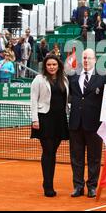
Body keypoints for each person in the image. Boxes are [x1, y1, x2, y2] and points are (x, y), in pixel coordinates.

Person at [67, 49, 106, 198]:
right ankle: (78, 186)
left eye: (89, 58)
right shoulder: (73, 77)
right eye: (84, 58)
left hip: (94, 124)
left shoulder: (103, 77)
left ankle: (92, 186)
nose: (86, 61)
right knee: (76, 157)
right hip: (75, 123)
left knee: (94, 157)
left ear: (95, 60)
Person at [30, 54, 70, 197]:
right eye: (49, 65)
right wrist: (35, 120)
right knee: (48, 151)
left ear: (58, 66)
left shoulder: (64, 79)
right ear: (45, 66)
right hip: (44, 119)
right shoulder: (38, 80)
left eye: (54, 64)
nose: (51, 67)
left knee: (53, 152)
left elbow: (66, 100)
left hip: (60, 119)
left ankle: (48, 182)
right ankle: (48, 185)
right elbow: (33, 100)